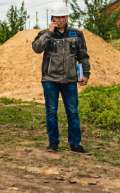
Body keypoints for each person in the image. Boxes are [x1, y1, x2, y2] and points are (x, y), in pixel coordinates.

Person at [31, 11, 90, 153]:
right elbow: (37, 48)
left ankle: (75, 144)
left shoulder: (76, 34)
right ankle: (53, 144)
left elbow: (83, 56)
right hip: (50, 79)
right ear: (52, 19)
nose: (61, 19)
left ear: (67, 18)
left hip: (70, 80)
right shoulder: (45, 33)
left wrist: (85, 74)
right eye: (57, 17)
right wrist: (49, 33)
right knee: (51, 111)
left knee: (73, 112)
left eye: (63, 17)